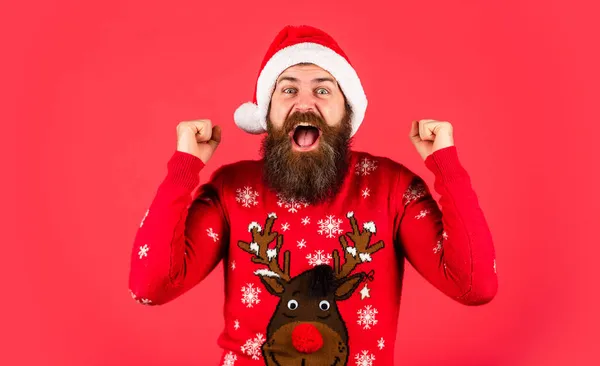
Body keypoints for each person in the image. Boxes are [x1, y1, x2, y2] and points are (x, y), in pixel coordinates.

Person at [128, 24, 498, 366]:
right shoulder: (231, 191)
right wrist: (184, 168)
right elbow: (150, 286)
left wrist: (447, 168)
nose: (304, 104)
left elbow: (474, 285)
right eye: (288, 89)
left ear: (347, 112)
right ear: (267, 113)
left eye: (322, 89)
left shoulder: (393, 189)